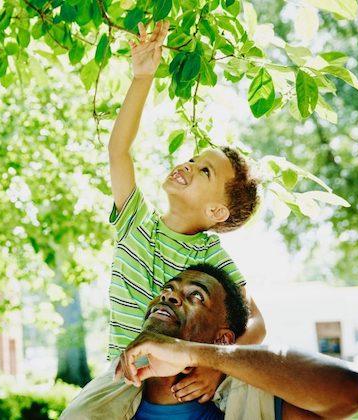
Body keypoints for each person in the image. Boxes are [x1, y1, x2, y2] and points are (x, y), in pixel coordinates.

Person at [105, 19, 264, 401]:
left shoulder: (211, 258)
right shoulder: (135, 222)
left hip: (182, 382)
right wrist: (143, 76)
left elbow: (256, 324)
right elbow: (118, 151)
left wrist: (215, 367)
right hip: (120, 380)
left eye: (204, 170)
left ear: (217, 212)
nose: (188, 165)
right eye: (193, 159)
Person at [60, 265, 358, 419]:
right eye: (168, 289)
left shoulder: (247, 403)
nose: (170, 295)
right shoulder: (102, 400)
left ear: (222, 339)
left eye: (195, 296)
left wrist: (196, 355)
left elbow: (350, 391)